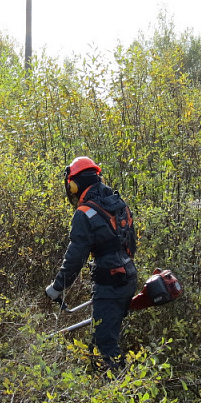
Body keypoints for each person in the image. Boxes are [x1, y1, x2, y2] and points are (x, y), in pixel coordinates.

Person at [45, 156, 138, 372]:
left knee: (104, 344)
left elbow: (75, 257)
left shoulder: (85, 212)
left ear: (75, 184)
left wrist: (57, 287)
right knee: (105, 335)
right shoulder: (116, 203)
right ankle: (109, 383)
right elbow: (131, 242)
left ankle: (117, 391)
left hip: (111, 281)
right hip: (127, 277)